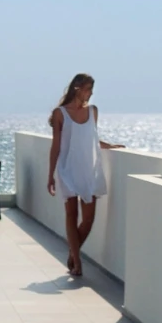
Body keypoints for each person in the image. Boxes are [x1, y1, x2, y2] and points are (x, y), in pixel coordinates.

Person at [46, 73, 123, 276]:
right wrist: (50, 175)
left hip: (89, 169)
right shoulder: (60, 113)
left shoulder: (93, 111)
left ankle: (73, 253)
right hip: (67, 169)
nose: (90, 93)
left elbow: (92, 137)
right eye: (88, 89)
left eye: (91, 89)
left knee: (88, 219)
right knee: (71, 214)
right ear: (77, 88)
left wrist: (110, 145)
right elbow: (56, 146)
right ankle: (78, 263)